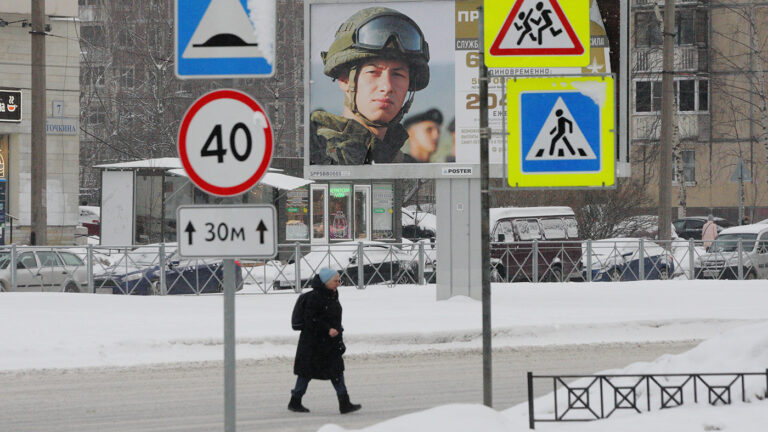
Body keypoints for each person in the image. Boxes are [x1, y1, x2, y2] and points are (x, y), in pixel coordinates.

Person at [309, 7, 431, 165]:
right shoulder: (313, 154)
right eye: (373, 72)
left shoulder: (408, 167)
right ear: (345, 80)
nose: (387, 87)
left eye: (398, 74)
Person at [288, 268, 361, 414]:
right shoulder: (315, 297)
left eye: (339, 280)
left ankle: (344, 403)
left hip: (329, 342)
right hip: (313, 343)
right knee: (306, 373)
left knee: (336, 372)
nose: (338, 283)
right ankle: (295, 401)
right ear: (326, 282)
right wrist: (328, 329)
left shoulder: (331, 294)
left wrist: (336, 332)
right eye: (335, 280)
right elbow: (311, 319)